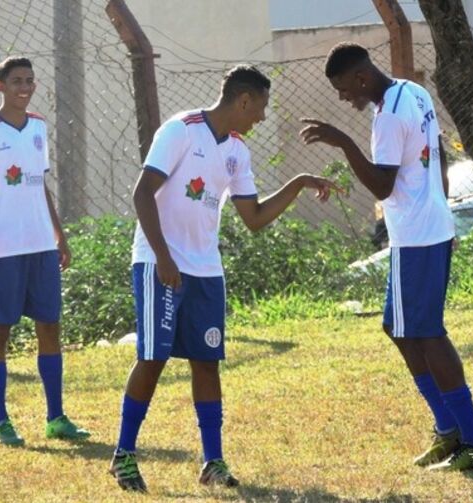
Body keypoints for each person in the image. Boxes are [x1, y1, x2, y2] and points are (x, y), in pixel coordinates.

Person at [109, 64, 336, 492]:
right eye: (261, 108)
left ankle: (213, 462)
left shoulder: (237, 150)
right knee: (153, 359)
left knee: (207, 362)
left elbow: (253, 217)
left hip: (206, 270)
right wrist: (163, 258)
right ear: (243, 100)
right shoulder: (180, 130)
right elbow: (142, 193)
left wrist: (299, 183)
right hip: (161, 264)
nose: (262, 119)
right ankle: (123, 454)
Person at [299, 43, 473, 470]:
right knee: (398, 327)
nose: (342, 97)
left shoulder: (386, 117)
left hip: (420, 237)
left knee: (426, 333)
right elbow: (438, 152)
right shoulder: (411, 91)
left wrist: (344, 143)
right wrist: (441, 208)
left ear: (361, 78)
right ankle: (448, 429)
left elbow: (383, 186)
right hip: (425, 230)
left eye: (343, 88)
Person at [0, 56, 90, 446]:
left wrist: (59, 235)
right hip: (2, 247)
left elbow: (41, 185)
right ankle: (1, 421)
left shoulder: (38, 126)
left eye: (30, 80)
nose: (25, 86)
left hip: (40, 245)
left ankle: (56, 416)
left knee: (49, 326)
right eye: (17, 80)